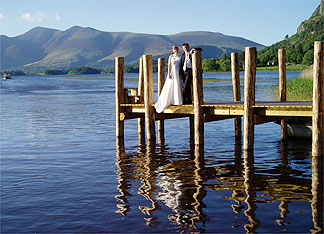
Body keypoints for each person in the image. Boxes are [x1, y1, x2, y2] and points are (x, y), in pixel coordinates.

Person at [154, 45, 183, 113]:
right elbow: (169, 65)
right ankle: (171, 100)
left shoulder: (180, 56)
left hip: (178, 72)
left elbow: (181, 65)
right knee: (171, 86)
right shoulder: (171, 57)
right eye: (175, 49)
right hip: (173, 72)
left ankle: (178, 100)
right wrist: (169, 73)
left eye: (177, 49)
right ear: (173, 50)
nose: (176, 50)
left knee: (179, 85)